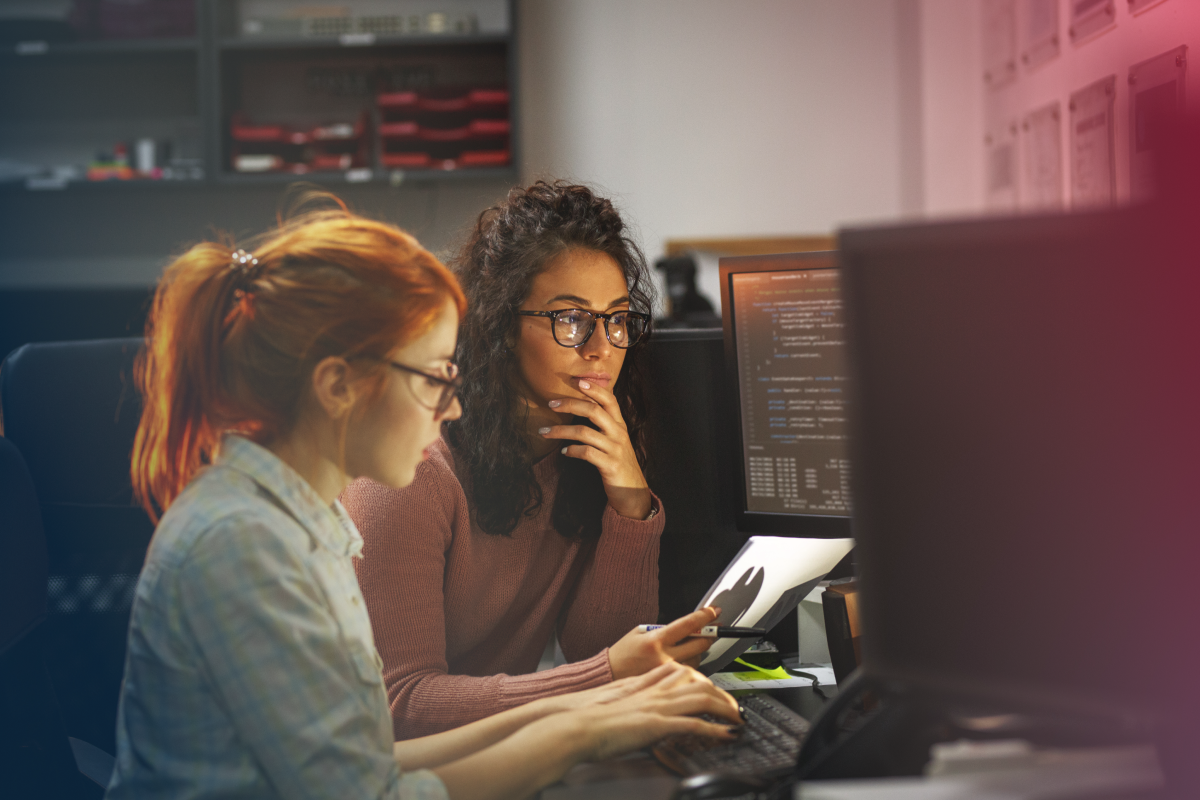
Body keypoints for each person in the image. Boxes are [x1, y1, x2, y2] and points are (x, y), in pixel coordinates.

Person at [107, 201, 739, 800]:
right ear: (337, 386)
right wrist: (583, 723)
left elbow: (368, 756)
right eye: (435, 377)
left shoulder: (307, 520)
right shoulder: (241, 547)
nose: (454, 405)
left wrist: (599, 708)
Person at [344, 181, 709, 739]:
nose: (601, 347)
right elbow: (399, 707)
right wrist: (605, 677)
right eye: (570, 319)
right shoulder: (410, 471)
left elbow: (599, 649)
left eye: (615, 318)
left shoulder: (582, 449)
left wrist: (629, 502)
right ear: (499, 326)